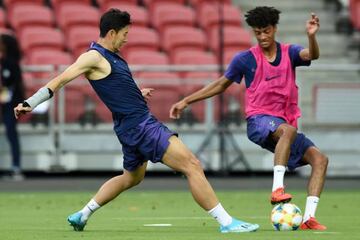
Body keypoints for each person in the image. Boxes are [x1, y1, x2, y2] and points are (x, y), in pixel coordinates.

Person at [14, 9, 259, 233]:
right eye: (125, 34)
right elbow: (59, 80)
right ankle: (227, 222)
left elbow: (113, 86)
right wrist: (30, 103)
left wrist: (136, 93)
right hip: (141, 126)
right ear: (112, 33)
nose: (127, 39)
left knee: (132, 178)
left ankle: (82, 214)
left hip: (129, 126)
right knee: (192, 165)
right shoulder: (93, 57)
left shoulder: (112, 57)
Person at [170, 6, 328, 231]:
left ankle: (308, 219)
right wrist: (187, 100)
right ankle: (277, 190)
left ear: (274, 29)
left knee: (320, 160)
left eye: (266, 31)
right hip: (259, 121)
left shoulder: (290, 52)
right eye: (257, 32)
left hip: (283, 124)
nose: (262, 37)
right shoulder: (245, 59)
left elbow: (312, 55)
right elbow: (221, 84)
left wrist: (311, 37)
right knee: (288, 132)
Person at [0, 33, 25, 181]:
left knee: (11, 133)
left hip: (11, 104)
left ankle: (16, 167)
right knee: (11, 134)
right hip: (5, 104)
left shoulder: (11, 63)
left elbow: (14, 85)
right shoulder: (4, 62)